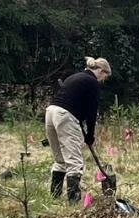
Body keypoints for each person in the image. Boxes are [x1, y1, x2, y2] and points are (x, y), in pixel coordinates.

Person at [45, 57, 112, 201]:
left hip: (50, 112)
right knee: (75, 162)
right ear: (101, 71)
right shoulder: (92, 82)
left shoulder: (75, 77)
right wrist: (90, 135)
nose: (102, 80)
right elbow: (91, 111)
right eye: (104, 76)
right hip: (65, 115)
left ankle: (54, 197)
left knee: (60, 159)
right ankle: (73, 201)